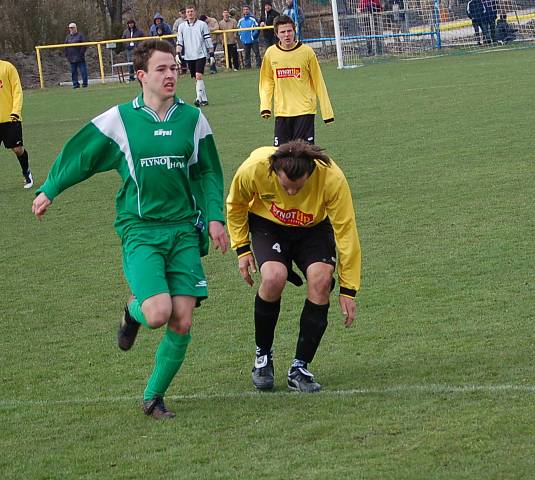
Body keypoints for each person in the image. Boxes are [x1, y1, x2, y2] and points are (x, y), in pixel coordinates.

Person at [31, 39, 228, 419]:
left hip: (184, 230)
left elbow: (208, 170)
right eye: (161, 69)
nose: (171, 74)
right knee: (157, 313)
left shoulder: (192, 118)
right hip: (140, 230)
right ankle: (132, 313)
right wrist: (50, 189)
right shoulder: (120, 119)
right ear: (141, 76)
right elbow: (82, 154)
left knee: (182, 318)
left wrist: (215, 216)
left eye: (174, 68)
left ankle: (153, 397)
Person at [226, 140, 361, 393]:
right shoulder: (254, 167)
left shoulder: (332, 178)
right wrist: (242, 248)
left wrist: (348, 288)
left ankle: (299, 368)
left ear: (311, 173)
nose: (290, 193)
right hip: (269, 225)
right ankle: (263, 358)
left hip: (313, 229)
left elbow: (346, 231)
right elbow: (236, 205)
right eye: (285, 186)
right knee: (273, 277)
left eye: (297, 188)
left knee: (321, 281)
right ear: (274, 171)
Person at [259, 15, 334, 146]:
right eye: (282, 32)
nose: (287, 35)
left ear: (294, 31)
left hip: (305, 110)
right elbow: (266, 81)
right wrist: (265, 106)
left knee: (303, 155)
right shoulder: (271, 53)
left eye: (289, 31)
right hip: (282, 111)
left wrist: (327, 113)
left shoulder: (307, 52)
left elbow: (318, 82)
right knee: (281, 156)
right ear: (276, 34)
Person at [0, 58, 33, 188]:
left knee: (17, 150)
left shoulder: (7, 67)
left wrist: (16, 111)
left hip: (10, 118)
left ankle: (26, 172)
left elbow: (17, 90)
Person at [176, 5, 214, 106]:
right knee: (196, 78)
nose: (190, 13)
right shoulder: (181, 27)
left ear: (195, 12)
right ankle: (204, 99)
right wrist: (177, 54)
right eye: (188, 12)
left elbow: (208, 39)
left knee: (198, 76)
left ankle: (198, 98)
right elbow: (180, 42)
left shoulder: (202, 24)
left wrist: (211, 54)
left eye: (191, 11)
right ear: (186, 14)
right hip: (189, 56)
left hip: (200, 54)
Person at [65, 22, 88, 88]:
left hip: (80, 57)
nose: (71, 29)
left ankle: (85, 83)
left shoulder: (80, 35)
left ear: (75, 28)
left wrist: (81, 54)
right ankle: (75, 84)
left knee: (83, 71)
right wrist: (67, 55)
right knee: (73, 72)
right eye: (70, 28)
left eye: (72, 28)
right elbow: (65, 47)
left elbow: (84, 45)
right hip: (72, 58)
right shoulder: (68, 37)